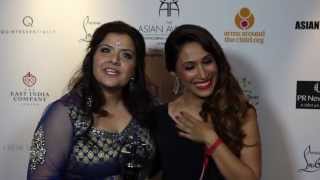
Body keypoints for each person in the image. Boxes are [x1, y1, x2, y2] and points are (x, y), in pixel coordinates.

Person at [27, 21, 156, 180]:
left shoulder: (148, 108)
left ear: (135, 68)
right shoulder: (64, 113)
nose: (114, 60)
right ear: (92, 57)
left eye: (126, 55)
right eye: (106, 50)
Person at [152, 24, 261, 180]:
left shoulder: (241, 113)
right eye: (190, 67)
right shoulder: (158, 117)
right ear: (174, 72)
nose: (203, 74)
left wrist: (210, 138)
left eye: (207, 61)